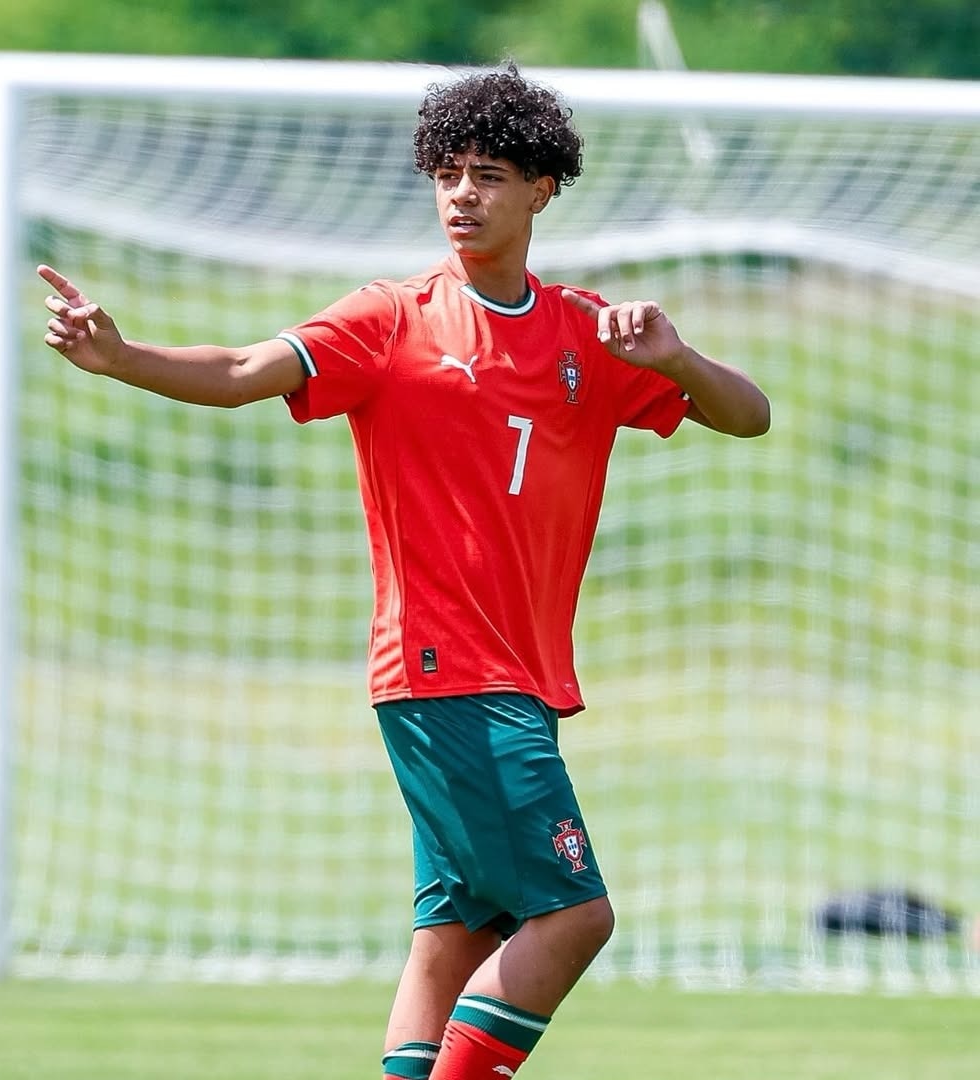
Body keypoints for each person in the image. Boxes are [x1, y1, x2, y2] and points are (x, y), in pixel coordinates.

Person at [39, 62, 769, 1080]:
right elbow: (246, 370)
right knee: (575, 915)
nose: (462, 193)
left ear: (542, 189)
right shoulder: (393, 319)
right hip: (446, 670)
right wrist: (125, 357)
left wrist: (678, 359)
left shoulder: (586, 335)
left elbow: (749, 414)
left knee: (456, 936)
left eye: (490, 174)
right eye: (449, 172)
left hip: (513, 678)